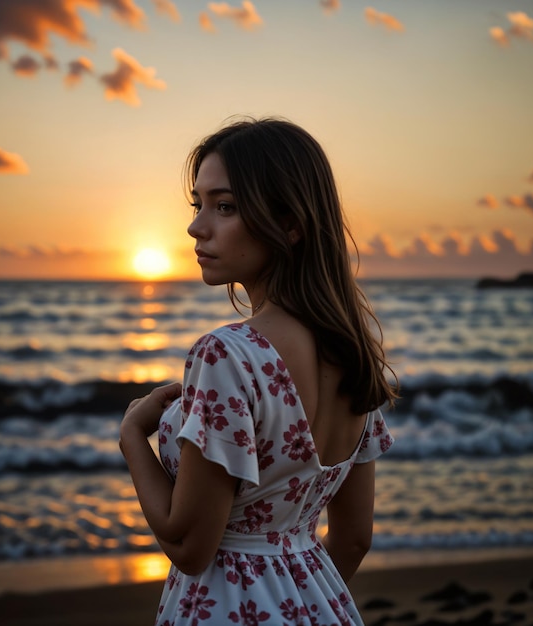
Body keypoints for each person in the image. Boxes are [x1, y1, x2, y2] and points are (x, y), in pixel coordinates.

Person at [119, 117, 397, 625]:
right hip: (319, 603)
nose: (196, 226)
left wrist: (133, 435)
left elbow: (188, 545)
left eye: (224, 207)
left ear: (290, 223)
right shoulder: (355, 352)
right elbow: (355, 539)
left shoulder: (228, 354)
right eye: (198, 205)